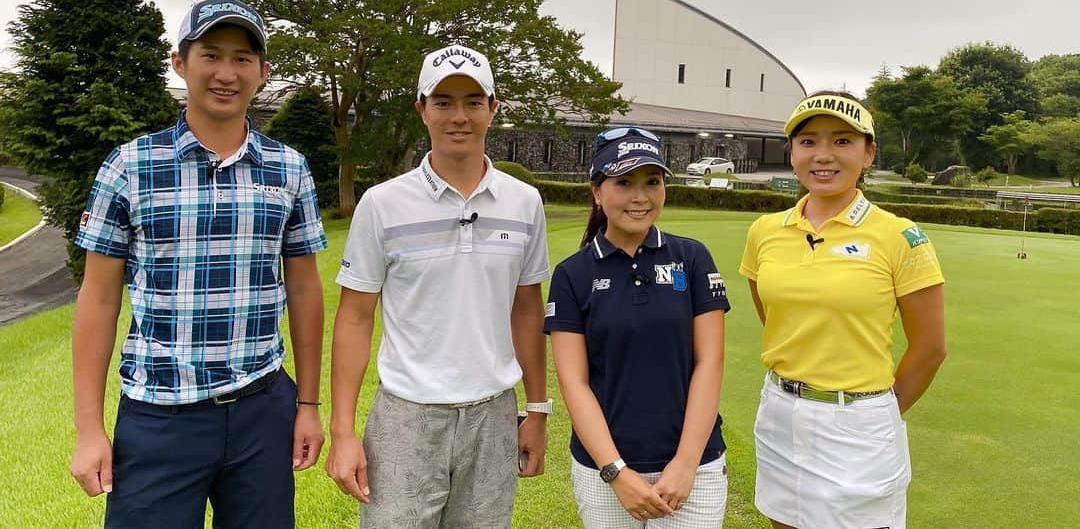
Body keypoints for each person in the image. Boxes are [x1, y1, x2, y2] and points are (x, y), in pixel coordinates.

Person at [69, 0, 328, 528]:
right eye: (211, 55)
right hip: (159, 415)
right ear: (180, 63)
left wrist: (307, 405)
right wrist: (89, 428)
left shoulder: (289, 168)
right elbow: (98, 298)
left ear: (262, 72)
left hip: (262, 409)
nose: (226, 73)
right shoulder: (130, 166)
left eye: (242, 58)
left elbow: (304, 290)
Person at [325, 44, 552, 528]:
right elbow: (355, 316)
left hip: (493, 415)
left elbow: (527, 308)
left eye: (473, 101)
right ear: (421, 110)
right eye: (443, 102)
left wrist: (537, 409)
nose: (459, 116)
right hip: (407, 416)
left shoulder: (525, 202)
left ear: (494, 108)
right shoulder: (382, 203)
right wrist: (342, 431)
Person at [739, 90, 947, 529]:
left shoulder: (900, 237)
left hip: (858, 425)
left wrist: (874, 412)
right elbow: (775, 317)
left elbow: (930, 348)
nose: (823, 155)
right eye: (809, 141)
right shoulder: (765, 231)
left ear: (869, 153)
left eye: (842, 141)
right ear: (792, 152)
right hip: (779, 411)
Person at [545, 127, 731, 528]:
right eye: (623, 182)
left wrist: (685, 464)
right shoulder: (573, 274)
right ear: (597, 191)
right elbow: (573, 382)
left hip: (694, 467)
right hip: (605, 470)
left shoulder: (693, 258)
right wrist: (616, 471)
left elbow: (710, 363)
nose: (640, 196)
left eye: (652, 181)